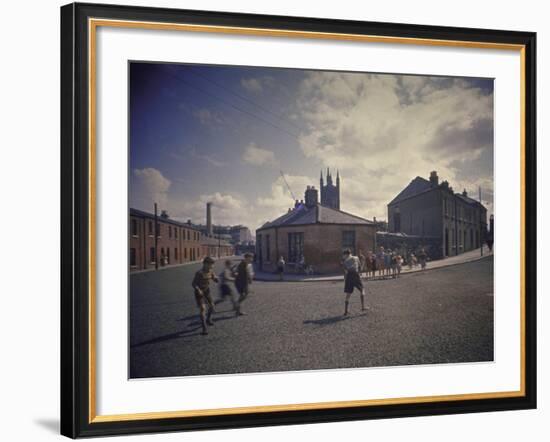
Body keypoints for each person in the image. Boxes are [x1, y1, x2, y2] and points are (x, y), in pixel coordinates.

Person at [191, 256, 219, 335]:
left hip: (207, 291)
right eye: (211, 264)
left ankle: (208, 319)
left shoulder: (211, 271)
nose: (212, 266)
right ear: (205, 264)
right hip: (199, 293)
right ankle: (204, 328)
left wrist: (216, 279)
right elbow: (193, 284)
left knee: (212, 306)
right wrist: (198, 290)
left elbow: (214, 278)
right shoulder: (199, 273)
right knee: (203, 309)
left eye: (212, 264)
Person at [341, 249, 366, 316]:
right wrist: (363, 261)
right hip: (355, 275)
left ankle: (346, 311)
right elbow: (360, 268)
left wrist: (345, 280)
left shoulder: (344, 262)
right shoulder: (356, 258)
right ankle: (363, 307)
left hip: (349, 276)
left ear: (346, 254)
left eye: (343, 255)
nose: (343, 256)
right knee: (362, 290)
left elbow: (345, 272)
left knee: (348, 293)